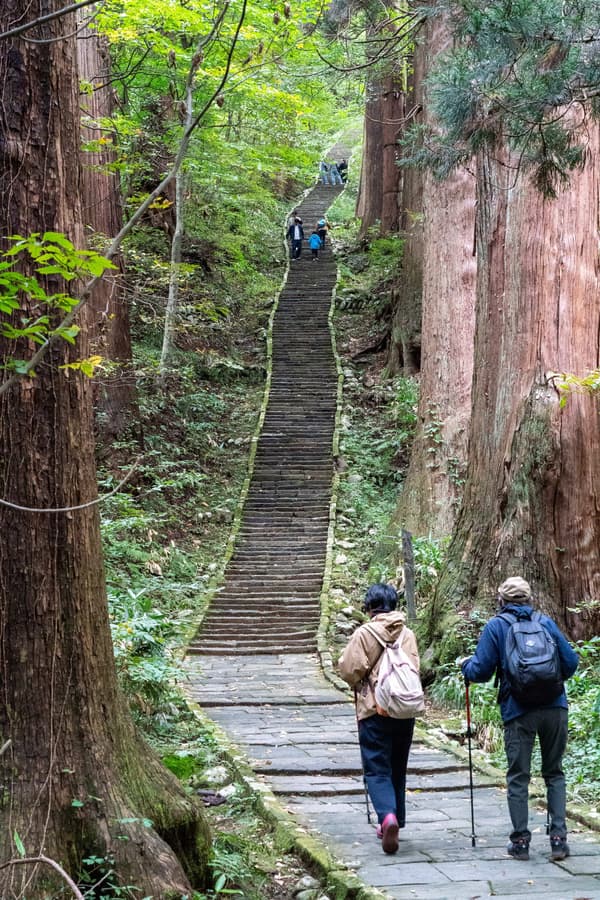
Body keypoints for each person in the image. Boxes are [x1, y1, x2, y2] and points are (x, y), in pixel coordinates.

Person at [461, 576, 579, 862]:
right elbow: (571, 663)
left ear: (501, 600)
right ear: (529, 599)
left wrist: (466, 666)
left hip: (518, 711)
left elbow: (481, 671)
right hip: (555, 708)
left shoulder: (496, 626)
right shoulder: (545, 623)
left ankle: (521, 843)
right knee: (555, 773)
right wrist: (547, 683)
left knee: (518, 777)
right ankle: (559, 840)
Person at [338, 583, 420, 855]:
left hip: (374, 710)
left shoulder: (364, 633)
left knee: (376, 767)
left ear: (370, 606)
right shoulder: (407, 633)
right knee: (398, 765)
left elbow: (350, 671)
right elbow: (415, 668)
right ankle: (397, 817)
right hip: (404, 710)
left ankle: (387, 817)